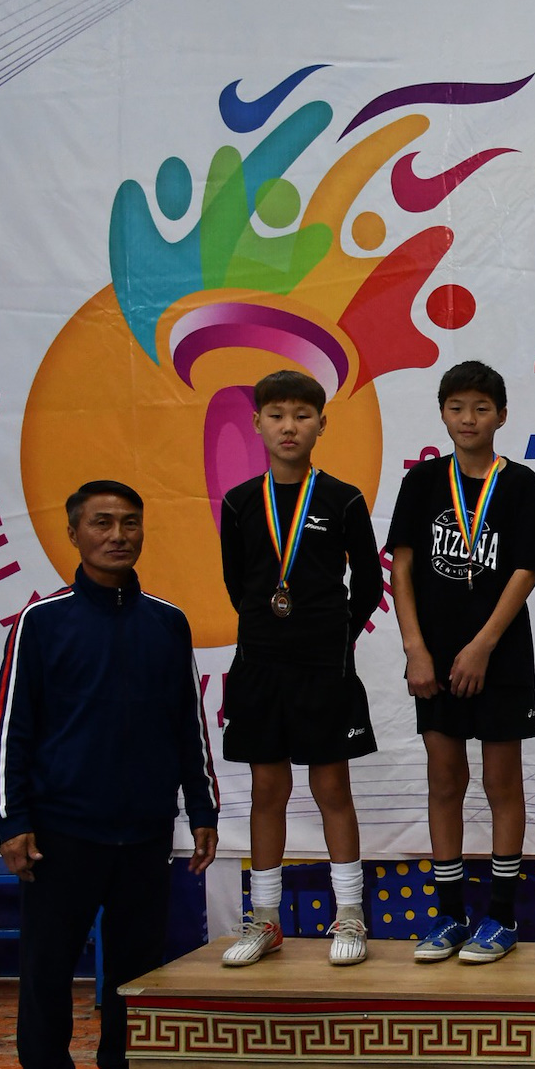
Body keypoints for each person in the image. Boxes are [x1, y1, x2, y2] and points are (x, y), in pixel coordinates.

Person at [0, 481, 219, 1069]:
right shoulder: (42, 622)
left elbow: (188, 725)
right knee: (48, 967)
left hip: (144, 830)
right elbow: (11, 729)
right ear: (74, 533)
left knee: (135, 968)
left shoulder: (167, 622)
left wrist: (202, 807)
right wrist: (11, 821)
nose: (118, 535)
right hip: (62, 831)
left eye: (129, 523)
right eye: (102, 523)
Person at [217, 370, 384, 968]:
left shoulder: (343, 499)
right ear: (257, 423)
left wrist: (333, 636)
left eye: (302, 415)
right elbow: (237, 583)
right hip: (260, 665)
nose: (289, 427)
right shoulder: (239, 502)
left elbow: (369, 583)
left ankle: (350, 915)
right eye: (277, 415)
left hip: (323, 668)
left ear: (321, 424)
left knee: (332, 788)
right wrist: (272, 630)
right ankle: (265, 920)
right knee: (268, 790)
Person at [388, 362, 535, 965]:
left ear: (502, 416)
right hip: (433, 656)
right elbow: (402, 565)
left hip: (500, 655)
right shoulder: (423, 481)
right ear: (442, 413)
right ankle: (451, 913)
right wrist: (415, 648)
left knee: (501, 782)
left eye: (481, 408)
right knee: (445, 779)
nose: (468, 419)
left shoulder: (522, 484)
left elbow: (526, 570)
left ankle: (501, 916)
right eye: (457, 407)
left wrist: (483, 645)